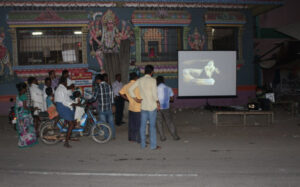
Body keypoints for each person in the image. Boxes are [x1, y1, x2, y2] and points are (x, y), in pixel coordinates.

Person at [129, 64, 160, 150]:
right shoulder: (153, 80)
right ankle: (153, 146)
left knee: (142, 126)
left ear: (144, 71)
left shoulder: (140, 80)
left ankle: (143, 144)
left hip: (143, 107)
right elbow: (154, 94)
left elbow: (130, 89)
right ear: (152, 72)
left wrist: (136, 99)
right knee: (152, 127)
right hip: (152, 107)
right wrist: (158, 102)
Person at [88, 74, 116, 139]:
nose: (95, 81)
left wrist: (88, 101)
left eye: (96, 80)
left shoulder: (97, 87)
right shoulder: (109, 86)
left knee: (103, 123)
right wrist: (113, 105)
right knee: (111, 122)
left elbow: (94, 98)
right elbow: (112, 97)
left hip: (102, 109)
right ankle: (113, 136)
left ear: (98, 80)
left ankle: (106, 136)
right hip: (109, 108)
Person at [54, 77, 77, 148]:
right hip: (62, 106)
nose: (67, 84)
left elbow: (67, 98)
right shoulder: (61, 89)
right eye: (66, 82)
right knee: (71, 124)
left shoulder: (62, 88)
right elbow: (64, 101)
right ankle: (66, 142)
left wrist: (73, 102)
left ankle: (68, 133)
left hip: (63, 105)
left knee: (73, 119)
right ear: (64, 82)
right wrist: (72, 104)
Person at [156, 76, 180, 141]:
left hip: (158, 107)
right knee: (169, 122)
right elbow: (172, 99)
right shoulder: (168, 88)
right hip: (166, 107)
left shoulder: (155, 88)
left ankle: (162, 137)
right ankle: (175, 136)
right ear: (163, 81)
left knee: (159, 122)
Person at [119, 72, 141, 143]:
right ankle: (139, 139)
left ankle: (131, 138)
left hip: (131, 107)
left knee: (131, 124)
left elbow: (120, 93)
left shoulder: (127, 85)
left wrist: (127, 98)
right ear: (136, 78)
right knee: (139, 124)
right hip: (138, 108)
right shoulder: (138, 86)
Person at [15, 82, 38, 148]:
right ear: (23, 88)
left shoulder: (18, 95)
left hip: (20, 115)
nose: (26, 90)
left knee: (23, 129)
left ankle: (22, 142)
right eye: (25, 88)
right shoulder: (24, 96)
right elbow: (25, 107)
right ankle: (29, 141)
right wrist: (32, 109)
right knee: (28, 128)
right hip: (25, 115)